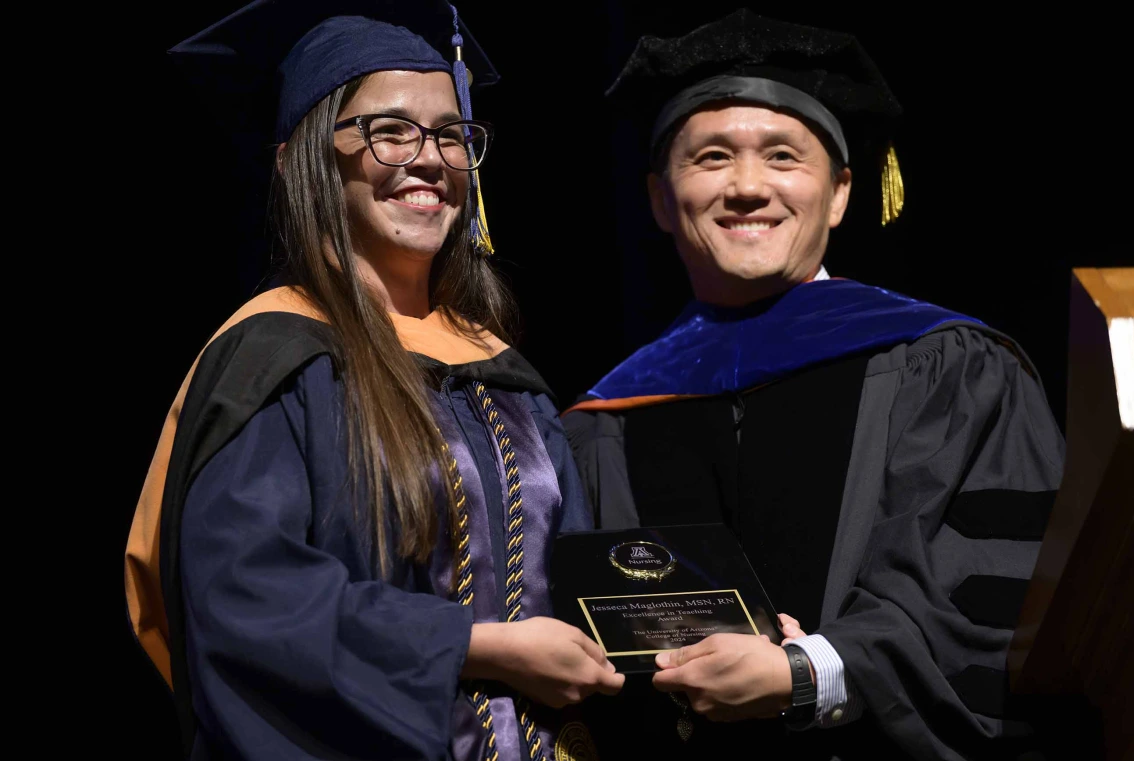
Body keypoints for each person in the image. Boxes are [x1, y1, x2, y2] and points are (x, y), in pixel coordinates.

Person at [123, 3, 626, 759]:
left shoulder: (503, 373)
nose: (429, 159)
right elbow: (247, 602)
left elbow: (578, 578)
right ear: (303, 160)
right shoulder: (275, 360)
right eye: (389, 131)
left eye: (451, 136)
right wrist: (475, 646)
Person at [564, 10, 1065, 760]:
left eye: (783, 156)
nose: (746, 186)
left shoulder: (951, 368)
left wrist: (810, 671)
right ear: (660, 199)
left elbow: (999, 602)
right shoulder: (607, 418)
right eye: (709, 157)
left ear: (838, 194)